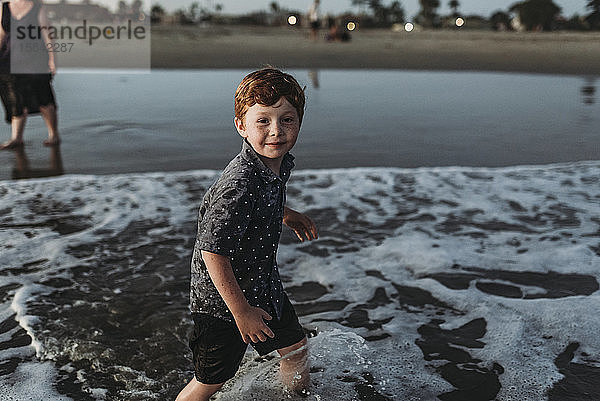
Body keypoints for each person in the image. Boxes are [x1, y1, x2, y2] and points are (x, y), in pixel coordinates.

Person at [176, 68, 319, 401]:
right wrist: (241, 312)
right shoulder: (240, 184)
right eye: (263, 121)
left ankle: (294, 397)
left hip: (262, 285)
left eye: (287, 120)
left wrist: (286, 214)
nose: (276, 132)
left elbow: (260, 204)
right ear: (241, 125)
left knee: (294, 349)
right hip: (223, 303)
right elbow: (213, 251)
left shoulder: (273, 166)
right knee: (210, 380)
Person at [0, 0, 59, 150]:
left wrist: (52, 59)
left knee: (43, 97)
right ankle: (16, 138)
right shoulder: (4, 7)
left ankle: (53, 134)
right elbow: (1, 33)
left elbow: (48, 34)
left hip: (35, 59)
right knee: (13, 97)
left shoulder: (38, 7)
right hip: (8, 59)